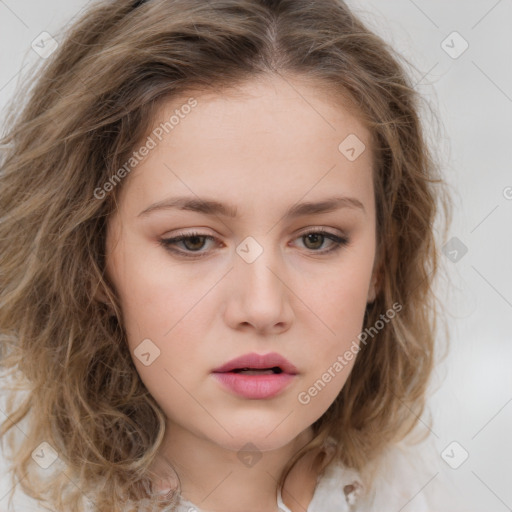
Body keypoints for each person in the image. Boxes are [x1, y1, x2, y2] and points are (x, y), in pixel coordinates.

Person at [0, 0, 458, 510]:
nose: (262, 308)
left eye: (317, 239)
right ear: (88, 263)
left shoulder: (410, 493)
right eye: (193, 241)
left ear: (382, 264)